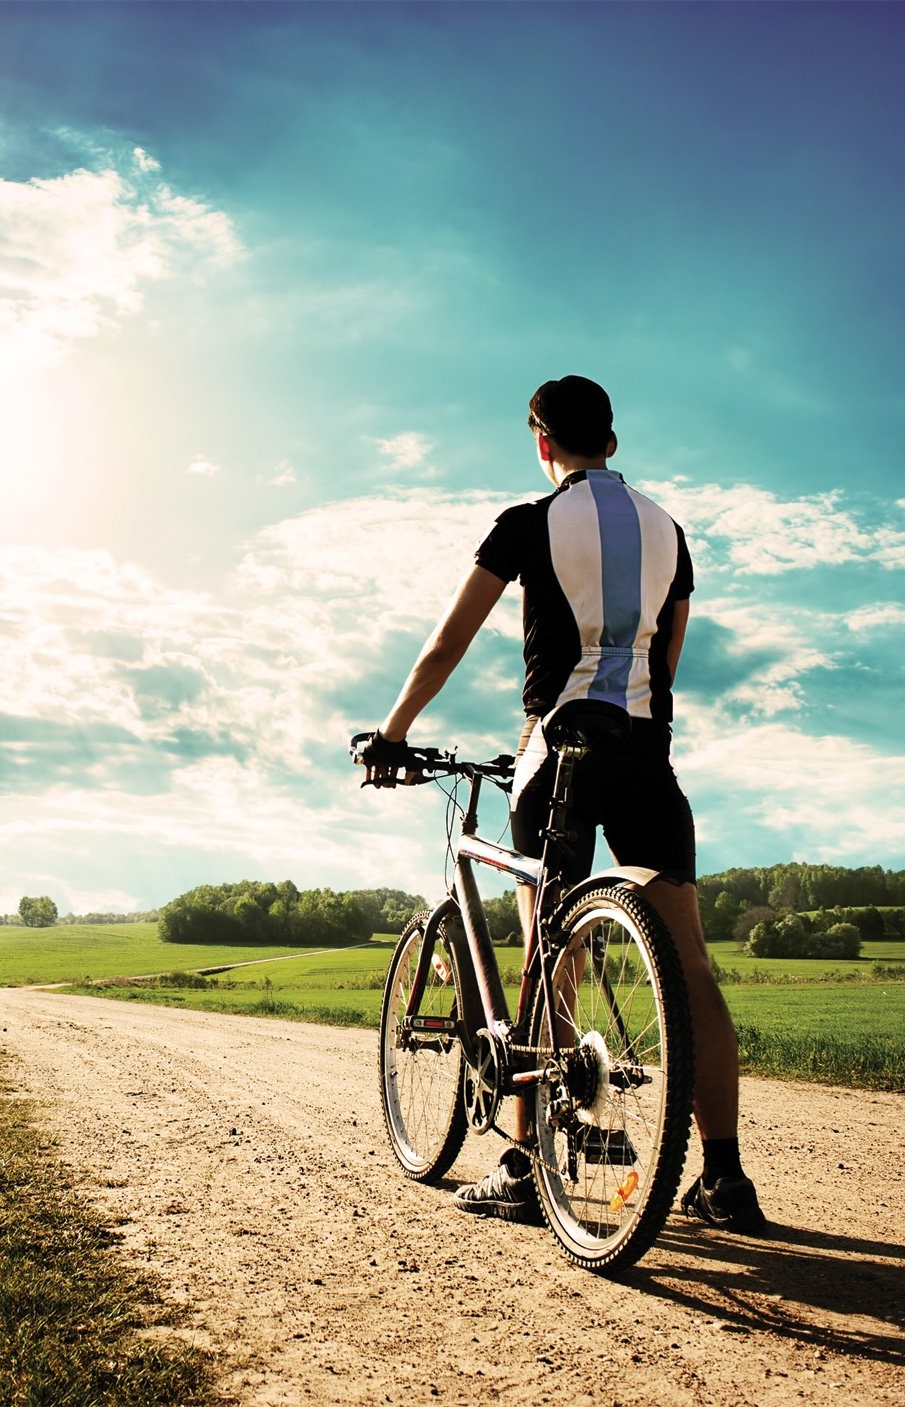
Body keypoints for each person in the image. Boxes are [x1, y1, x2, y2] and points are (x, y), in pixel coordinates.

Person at [366, 375, 765, 1234]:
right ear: (612, 442)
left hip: (558, 759)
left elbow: (447, 644)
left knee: (552, 952)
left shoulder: (526, 523)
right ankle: (726, 1178)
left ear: (541, 442)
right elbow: (669, 663)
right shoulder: (672, 533)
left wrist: (393, 732)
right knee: (689, 964)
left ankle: (522, 1163)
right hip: (647, 757)